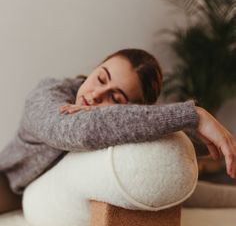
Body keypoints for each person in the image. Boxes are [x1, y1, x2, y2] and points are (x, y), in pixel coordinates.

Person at [0, 48, 235, 214]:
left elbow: (186, 142)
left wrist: (225, 142)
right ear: (95, 68)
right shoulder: (47, 94)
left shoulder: (123, 124)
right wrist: (193, 115)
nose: (94, 96)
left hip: (70, 190)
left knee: (176, 185)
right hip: (9, 186)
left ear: (132, 112)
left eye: (115, 97)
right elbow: (79, 131)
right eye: (101, 78)